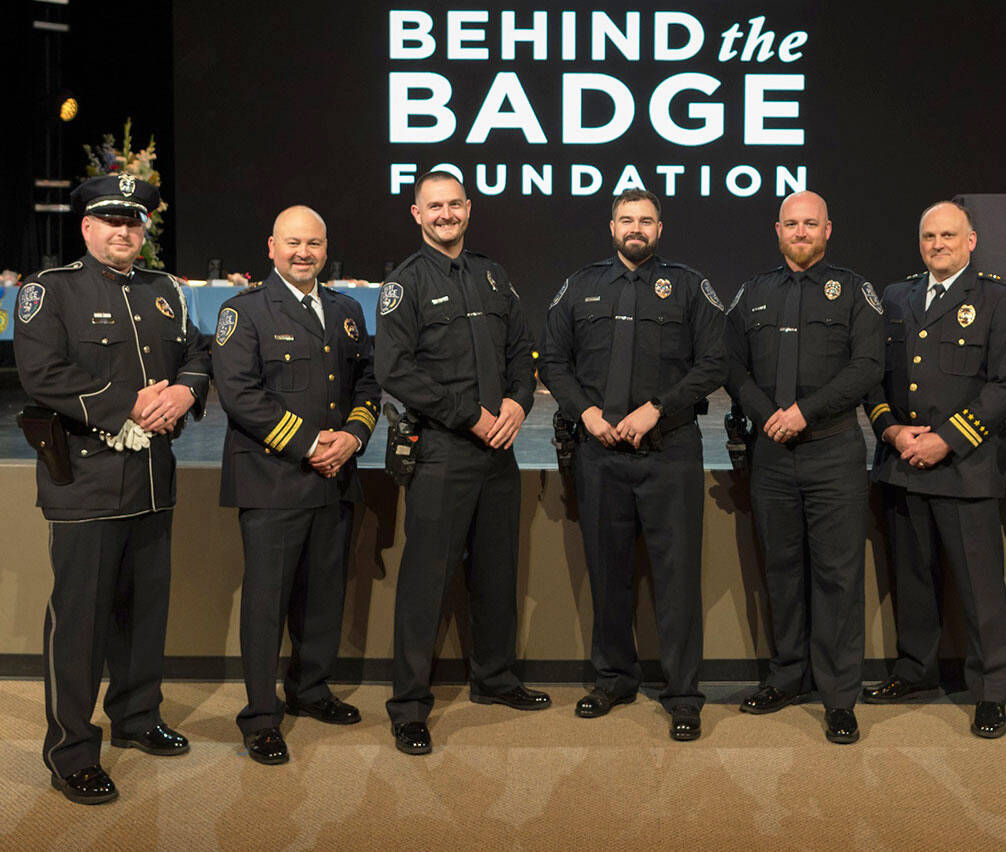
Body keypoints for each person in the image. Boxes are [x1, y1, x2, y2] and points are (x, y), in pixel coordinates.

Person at [13, 174, 211, 804]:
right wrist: (130, 404)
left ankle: (136, 717)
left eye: (134, 221)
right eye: (112, 220)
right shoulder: (51, 290)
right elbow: (43, 372)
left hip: (153, 477)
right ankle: (70, 751)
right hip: (87, 480)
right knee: (80, 623)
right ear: (88, 227)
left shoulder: (167, 291)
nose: (124, 231)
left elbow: (199, 354)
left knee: (143, 612)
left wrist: (185, 391)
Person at [538, 189, 726, 742]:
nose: (636, 228)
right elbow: (553, 359)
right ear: (612, 226)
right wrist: (586, 412)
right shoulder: (580, 286)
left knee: (677, 579)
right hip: (599, 455)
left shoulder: (691, 286)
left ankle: (683, 695)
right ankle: (614, 679)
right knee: (608, 573)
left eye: (646, 220)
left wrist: (658, 408)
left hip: (669, 453)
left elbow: (714, 361)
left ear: (660, 228)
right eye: (627, 219)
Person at [374, 172, 549, 756]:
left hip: (499, 448)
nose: (445, 214)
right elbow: (395, 371)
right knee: (425, 582)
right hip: (444, 450)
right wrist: (468, 415)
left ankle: (495, 680)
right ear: (416, 214)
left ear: (468, 210)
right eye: (435, 207)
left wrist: (518, 402)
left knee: (497, 572)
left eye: (454, 205)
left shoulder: (493, 275)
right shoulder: (405, 284)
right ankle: (409, 707)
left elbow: (524, 351)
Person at [212, 206, 380, 764]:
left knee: (323, 597)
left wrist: (353, 437)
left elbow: (367, 381)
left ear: (325, 249)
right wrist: (313, 444)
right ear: (271, 246)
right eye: (292, 242)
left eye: (312, 243)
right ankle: (261, 717)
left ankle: (311, 691)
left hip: (335, 479)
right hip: (273, 481)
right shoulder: (245, 311)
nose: (302, 252)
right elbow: (240, 395)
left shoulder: (347, 310)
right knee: (266, 604)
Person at [861, 201, 1006, 738]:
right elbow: (877, 376)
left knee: (980, 588)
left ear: (971, 240)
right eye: (929, 236)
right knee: (912, 580)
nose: (938, 244)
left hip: (965, 466)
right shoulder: (896, 297)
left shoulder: (1002, 300)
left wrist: (946, 439)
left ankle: (990, 691)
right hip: (903, 463)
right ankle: (915, 671)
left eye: (949, 235)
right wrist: (889, 430)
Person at [724, 191, 883, 744]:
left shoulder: (855, 291)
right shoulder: (753, 292)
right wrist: (769, 415)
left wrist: (803, 413)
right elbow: (732, 365)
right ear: (778, 230)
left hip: (833, 452)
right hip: (772, 453)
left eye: (810, 223)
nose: (800, 231)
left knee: (838, 576)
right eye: (791, 223)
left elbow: (867, 366)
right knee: (782, 572)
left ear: (827, 229)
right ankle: (787, 676)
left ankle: (840, 697)